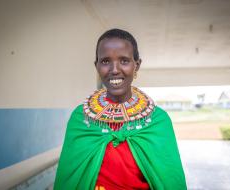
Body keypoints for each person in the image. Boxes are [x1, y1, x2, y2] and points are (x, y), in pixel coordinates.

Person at [54, 29, 187, 190]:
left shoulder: (158, 120)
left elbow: (171, 181)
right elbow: (68, 180)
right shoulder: (81, 118)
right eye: (105, 61)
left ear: (136, 65)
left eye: (124, 61)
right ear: (96, 66)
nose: (114, 69)